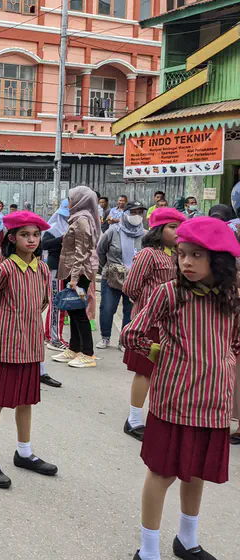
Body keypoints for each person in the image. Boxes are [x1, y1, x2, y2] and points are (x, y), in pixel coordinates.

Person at [121, 216, 240, 560]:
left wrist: (223, 365)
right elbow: (132, 333)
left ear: (218, 261)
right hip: (174, 402)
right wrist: (162, 353)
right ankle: (149, 548)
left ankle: (187, 540)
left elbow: (235, 342)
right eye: (182, 254)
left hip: (213, 405)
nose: (186, 262)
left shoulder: (231, 297)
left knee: (196, 474)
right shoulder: (169, 293)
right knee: (162, 474)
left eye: (196, 255)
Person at [0, 211, 58, 490]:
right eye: (25, 235)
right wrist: (5, 327)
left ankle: (24, 452)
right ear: (12, 238)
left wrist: (27, 326)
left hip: (33, 346)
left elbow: (44, 302)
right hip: (5, 347)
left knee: (26, 401)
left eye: (36, 234)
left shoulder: (43, 269)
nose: (32, 239)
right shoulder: (2, 269)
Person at [120, 207, 186, 442]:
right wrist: (149, 305)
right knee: (144, 372)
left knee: (164, 372)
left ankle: (157, 416)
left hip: (171, 323)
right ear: (159, 230)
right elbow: (131, 287)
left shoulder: (178, 254)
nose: (177, 232)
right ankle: (134, 420)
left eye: (179, 227)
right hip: (148, 323)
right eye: (172, 227)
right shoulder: (149, 254)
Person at [53, 186, 99, 368]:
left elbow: (81, 252)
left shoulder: (82, 220)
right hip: (74, 271)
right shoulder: (80, 218)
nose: (69, 202)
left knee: (79, 311)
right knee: (72, 309)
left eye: (71, 198)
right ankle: (74, 348)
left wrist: (74, 279)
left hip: (79, 274)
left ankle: (87, 353)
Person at [95, 201, 147, 350]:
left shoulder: (145, 234)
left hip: (134, 279)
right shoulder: (113, 231)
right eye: (133, 212)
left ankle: (123, 341)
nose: (136, 216)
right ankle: (105, 337)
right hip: (112, 277)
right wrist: (108, 267)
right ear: (125, 213)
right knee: (107, 307)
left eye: (139, 212)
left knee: (130, 310)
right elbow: (101, 251)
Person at [41, 200, 69, 356]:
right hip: (56, 268)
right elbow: (43, 245)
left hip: (66, 268)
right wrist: (62, 239)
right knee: (57, 303)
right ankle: (54, 338)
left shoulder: (71, 228)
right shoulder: (54, 228)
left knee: (59, 303)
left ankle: (51, 334)